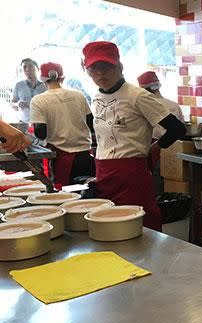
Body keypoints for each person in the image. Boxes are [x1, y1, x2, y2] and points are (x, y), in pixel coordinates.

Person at [82, 41, 186, 231]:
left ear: (119, 66)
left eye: (106, 66)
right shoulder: (96, 98)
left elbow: (177, 128)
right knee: (109, 229)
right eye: (94, 68)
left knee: (139, 228)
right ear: (87, 70)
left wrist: (154, 148)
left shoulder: (137, 96)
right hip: (104, 173)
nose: (100, 73)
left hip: (132, 175)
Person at [30, 62, 95, 187]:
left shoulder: (38, 100)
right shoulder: (79, 95)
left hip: (62, 159)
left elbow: (41, 133)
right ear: (62, 77)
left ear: (42, 80)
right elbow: (92, 125)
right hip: (86, 157)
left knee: (66, 197)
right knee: (89, 194)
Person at [137, 71, 185, 170]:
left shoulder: (145, 106)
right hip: (174, 147)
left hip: (153, 147)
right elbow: (182, 127)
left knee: (156, 179)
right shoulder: (174, 105)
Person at [11, 58, 47, 123]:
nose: (27, 69)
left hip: (40, 122)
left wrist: (31, 105)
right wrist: (17, 104)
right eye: (24, 67)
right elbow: (13, 102)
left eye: (30, 66)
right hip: (23, 122)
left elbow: (48, 105)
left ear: (37, 69)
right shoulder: (19, 85)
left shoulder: (45, 86)